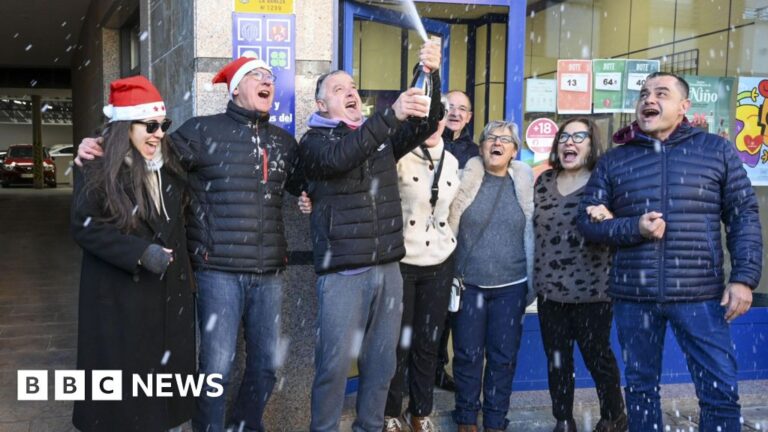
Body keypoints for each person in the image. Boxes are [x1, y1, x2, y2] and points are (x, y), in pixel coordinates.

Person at [77, 57, 304, 432]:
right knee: (216, 369)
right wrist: (98, 143)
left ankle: (246, 425)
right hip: (218, 273)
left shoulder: (283, 142)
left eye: (270, 76)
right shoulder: (200, 131)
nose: (268, 82)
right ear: (235, 88)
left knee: (266, 366)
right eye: (257, 76)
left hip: (270, 275)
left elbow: (307, 179)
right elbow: (144, 152)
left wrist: (312, 193)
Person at [578, 72, 762, 432]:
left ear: (684, 107)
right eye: (644, 93)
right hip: (634, 296)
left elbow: (743, 215)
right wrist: (634, 227)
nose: (649, 99)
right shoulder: (616, 160)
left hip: (701, 296)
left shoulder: (716, 150)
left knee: (720, 391)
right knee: (641, 390)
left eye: (661, 93)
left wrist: (743, 278)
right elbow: (588, 222)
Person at [299, 39, 442, 432]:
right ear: (320, 105)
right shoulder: (313, 142)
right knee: (332, 367)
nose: (351, 93)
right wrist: (389, 115)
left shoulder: (378, 136)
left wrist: (431, 74)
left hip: (389, 270)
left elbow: (427, 122)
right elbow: (342, 157)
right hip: (344, 274)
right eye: (339, 89)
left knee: (382, 366)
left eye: (353, 88)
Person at [71, 75, 195, 432]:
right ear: (126, 125)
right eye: (150, 125)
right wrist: (140, 252)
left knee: (159, 396)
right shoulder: (95, 167)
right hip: (120, 298)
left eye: (163, 125)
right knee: (123, 401)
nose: (158, 133)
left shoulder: (169, 167)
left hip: (166, 299)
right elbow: (85, 226)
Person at [533, 117, 626, 432]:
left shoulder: (604, 183)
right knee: (558, 362)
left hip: (593, 292)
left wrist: (610, 218)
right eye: (564, 136)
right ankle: (563, 419)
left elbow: (624, 228)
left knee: (597, 358)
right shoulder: (543, 181)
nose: (568, 142)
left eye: (578, 136)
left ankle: (614, 415)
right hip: (550, 292)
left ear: (592, 144)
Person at [447, 120, 535, 432]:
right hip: (469, 286)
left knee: (503, 357)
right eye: (490, 138)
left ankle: (496, 419)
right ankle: (467, 417)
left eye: (504, 140)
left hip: (511, 287)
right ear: (481, 146)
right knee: (467, 356)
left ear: (513, 151)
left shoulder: (525, 184)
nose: (496, 143)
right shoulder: (462, 180)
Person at [383, 99, 461, 432]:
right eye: (426, 119)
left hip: (439, 262)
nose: (433, 125)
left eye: (438, 119)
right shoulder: (397, 157)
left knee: (429, 343)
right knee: (397, 343)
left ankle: (420, 411)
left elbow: (453, 211)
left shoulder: (454, 161)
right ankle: (389, 412)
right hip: (402, 261)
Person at [435, 89, 478, 393]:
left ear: (469, 116)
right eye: (450, 107)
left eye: (462, 109)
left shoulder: (475, 154)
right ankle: (416, 373)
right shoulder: (426, 142)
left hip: (458, 241)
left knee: (449, 311)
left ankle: (438, 369)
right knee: (425, 311)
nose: (455, 113)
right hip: (423, 238)